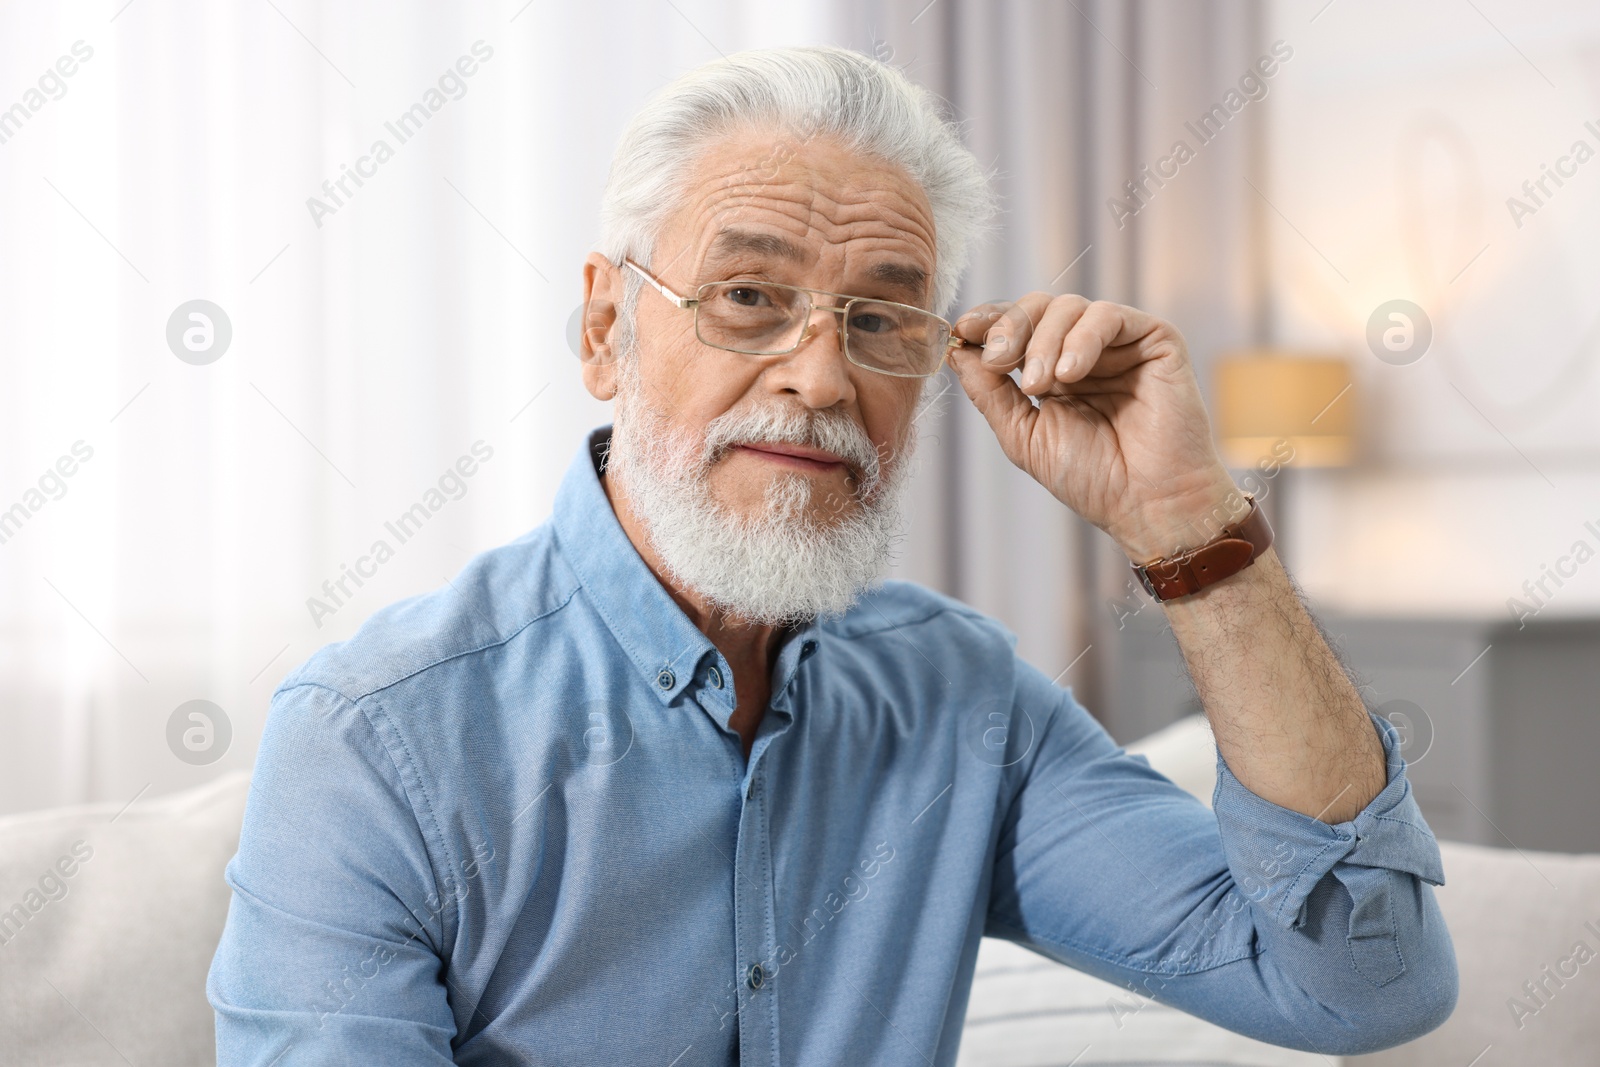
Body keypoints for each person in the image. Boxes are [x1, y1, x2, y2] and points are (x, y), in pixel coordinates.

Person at [208, 44, 1456, 1066]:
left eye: (878, 319)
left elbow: (1358, 985)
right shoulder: (374, 739)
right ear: (605, 327)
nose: (819, 375)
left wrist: (1188, 525)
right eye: (747, 296)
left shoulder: (965, 701)